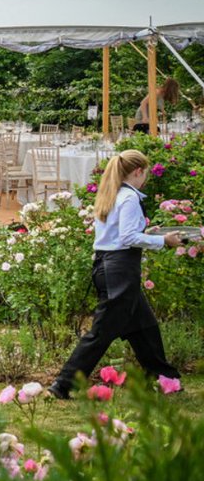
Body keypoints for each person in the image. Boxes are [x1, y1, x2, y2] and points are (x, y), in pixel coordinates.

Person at [48, 150, 183, 398]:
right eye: (145, 174)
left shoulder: (114, 193)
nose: (145, 179)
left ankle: (165, 378)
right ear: (138, 171)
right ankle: (63, 384)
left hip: (109, 266)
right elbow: (128, 238)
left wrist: (148, 233)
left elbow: (118, 234)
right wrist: (163, 240)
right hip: (119, 270)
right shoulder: (129, 198)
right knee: (101, 333)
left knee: (145, 327)